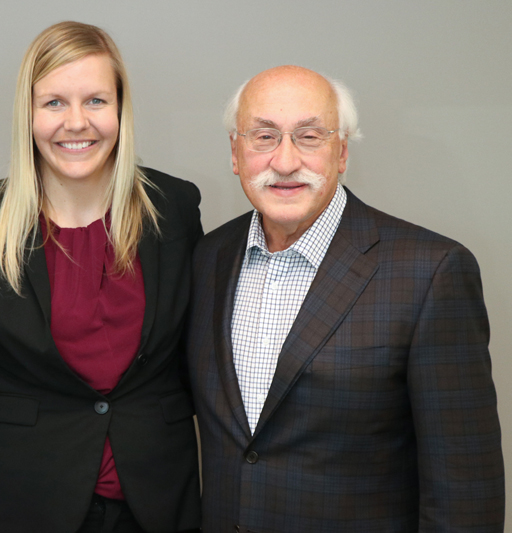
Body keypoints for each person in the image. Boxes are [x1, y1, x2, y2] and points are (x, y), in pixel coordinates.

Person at [187, 65, 505, 532]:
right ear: (235, 153)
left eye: (309, 136)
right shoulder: (207, 258)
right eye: (264, 137)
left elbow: (465, 489)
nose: (285, 161)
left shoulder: (431, 272)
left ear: (341, 153)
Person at [0, 21, 202, 533]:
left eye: (95, 101)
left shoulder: (174, 208)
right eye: (54, 103)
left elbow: (205, 355)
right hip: (20, 498)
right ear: (29, 113)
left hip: (156, 498)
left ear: (120, 109)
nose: (77, 122)